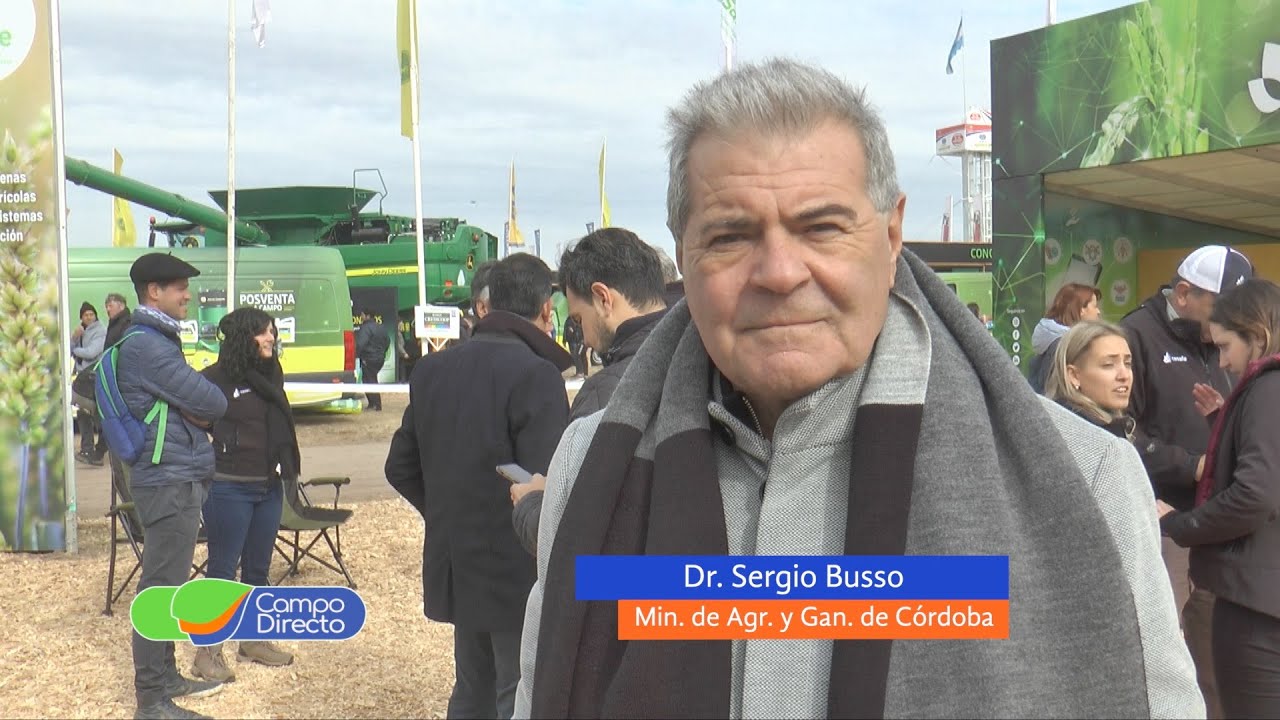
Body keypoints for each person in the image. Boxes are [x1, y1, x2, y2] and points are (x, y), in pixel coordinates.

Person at [514, 58, 1202, 719]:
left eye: (821, 227)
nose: (780, 272)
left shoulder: (1085, 478)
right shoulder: (591, 468)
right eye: (730, 236)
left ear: (893, 234)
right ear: (682, 254)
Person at [384, 252, 572, 720]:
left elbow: (400, 466)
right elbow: (547, 484)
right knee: (517, 693)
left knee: (472, 689)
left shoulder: (432, 370)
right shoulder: (536, 374)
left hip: (457, 560)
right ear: (545, 310)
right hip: (517, 564)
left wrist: (446, 511)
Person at [1122, 244, 1254, 719]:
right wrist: (1190, 465)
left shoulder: (1221, 341)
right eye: (1223, 307)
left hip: (1216, 522)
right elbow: (1118, 431)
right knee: (1165, 651)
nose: (1232, 321)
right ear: (1183, 294)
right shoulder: (1135, 336)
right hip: (1161, 524)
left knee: (1213, 651)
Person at [1158, 278, 1280, 719]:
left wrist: (1179, 523)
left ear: (1258, 337)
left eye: (1226, 346)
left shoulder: (1267, 387)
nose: (1223, 362)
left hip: (1255, 607)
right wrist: (1225, 427)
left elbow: (1255, 495)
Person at [509, 228, 671, 555]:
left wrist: (534, 503)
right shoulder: (706, 362)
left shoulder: (606, 391)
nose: (584, 339)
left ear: (602, 298)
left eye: (579, 319)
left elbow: (572, 542)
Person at [118, 253, 229, 720]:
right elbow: (214, 401)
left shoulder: (156, 340)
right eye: (180, 287)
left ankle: (165, 677)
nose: (188, 295)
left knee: (168, 586)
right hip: (167, 480)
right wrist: (193, 407)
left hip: (172, 477)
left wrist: (188, 405)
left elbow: (198, 404)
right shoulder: (148, 347)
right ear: (154, 292)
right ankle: (151, 700)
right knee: (159, 591)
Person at [190, 307, 297, 683]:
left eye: (272, 331)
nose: (272, 338)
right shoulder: (213, 379)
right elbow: (187, 417)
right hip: (228, 487)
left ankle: (253, 640)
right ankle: (207, 653)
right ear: (243, 338)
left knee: (258, 570)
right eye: (264, 332)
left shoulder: (271, 374)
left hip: (267, 485)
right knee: (222, 571)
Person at [1044, 320, 1137, 440]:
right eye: (1108, 364)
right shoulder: (1085, 439)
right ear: (1074, 375)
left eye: (1128, 363)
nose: (1124, 375)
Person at [1028, 283, 1102, 393]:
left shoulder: (1057, 341)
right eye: (1095, 306)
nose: (1098, 312)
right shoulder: (1065, 346)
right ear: (1081, 309)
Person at [71, 301, 107, 465]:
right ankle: (88, 449)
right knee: (83, 413)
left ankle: (100, 450)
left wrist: (74, 350)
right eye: (86, 315)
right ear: (81, 317)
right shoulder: (81, 331)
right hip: (83, 379)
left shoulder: (100, 331)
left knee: (97, 414)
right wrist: (74, 338)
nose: (89, 317)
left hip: (94, 378)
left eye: (91, 314)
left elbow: (91, 352)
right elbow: (69, 348)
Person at [354, 307, 389, 411]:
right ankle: (374, 404)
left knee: (369, 381)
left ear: (367, 316)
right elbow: (387, 341)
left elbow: (360, 344)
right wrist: (381, 352)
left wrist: (357, 355)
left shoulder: (365, 328)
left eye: (362, 315)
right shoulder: (381, 327)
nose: (361, 317)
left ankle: (375, 404)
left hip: (368, 358)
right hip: (380, 358)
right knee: (372, 379)